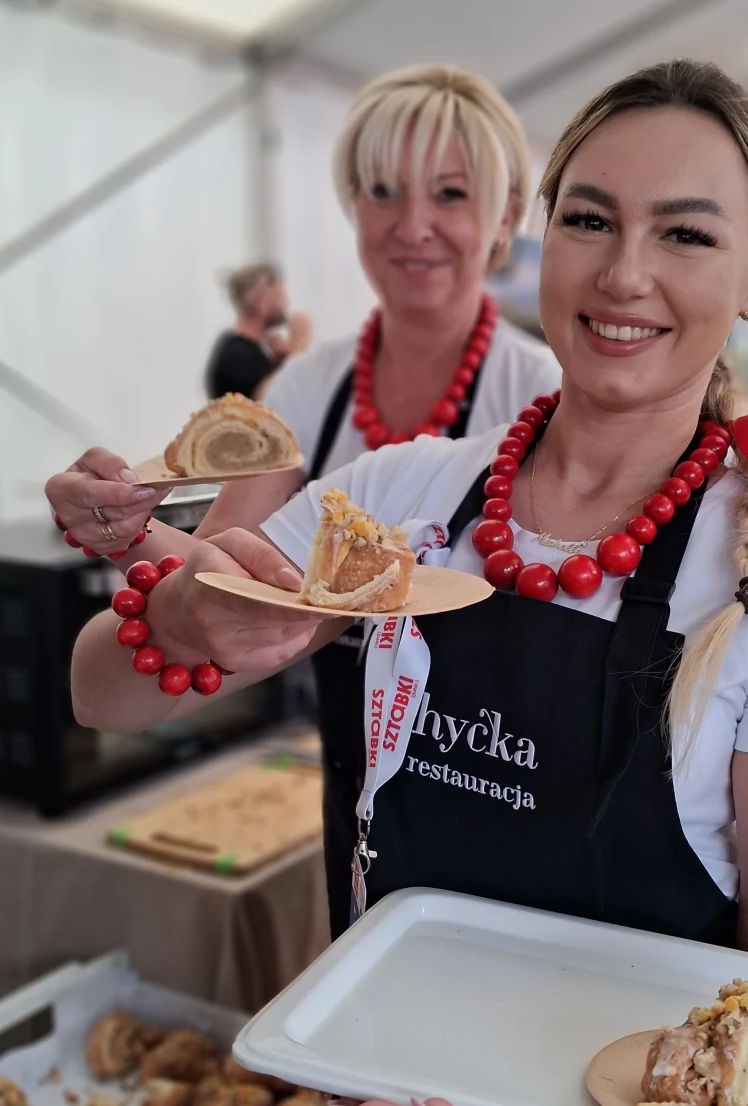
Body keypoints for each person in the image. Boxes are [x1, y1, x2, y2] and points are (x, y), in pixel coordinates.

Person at [70, 59, 748, 1106]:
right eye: (590, 219)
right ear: (542, 239)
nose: (623, 273)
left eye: (686, 236)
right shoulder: (403, 498)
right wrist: (186, 605)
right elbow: (98, 690)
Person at [45, 64, 561, 933]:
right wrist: (125, 529)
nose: (413, 226)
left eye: (451, 194)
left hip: (507, 788)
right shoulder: (307, 390)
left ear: (506, 219)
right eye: (383, 191)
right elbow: (221, 574)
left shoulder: (539, 393)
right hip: (356, 783)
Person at [204, 262, 312, 401]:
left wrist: (281, 362)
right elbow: (280, 401)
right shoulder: (239, 356)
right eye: (281, 297)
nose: (287, 305)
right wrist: (300, 344)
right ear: (261, 303)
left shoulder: (238, 348)